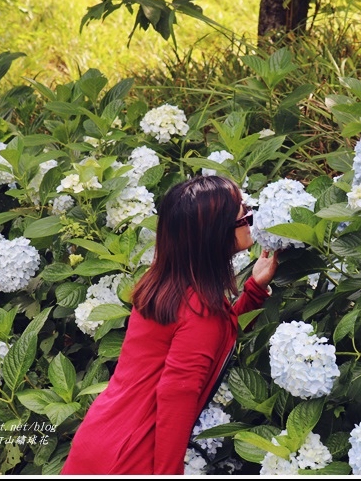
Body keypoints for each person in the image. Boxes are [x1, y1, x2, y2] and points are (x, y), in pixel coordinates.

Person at [60, 174, 279, 475]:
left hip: (102, 436)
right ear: (217, 233)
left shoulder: (166, 284)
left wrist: (253, 289)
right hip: (133, 455)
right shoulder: (200, 309)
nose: (249, 214)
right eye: (242, 212)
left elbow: (211, 334)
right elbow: (177, 398)